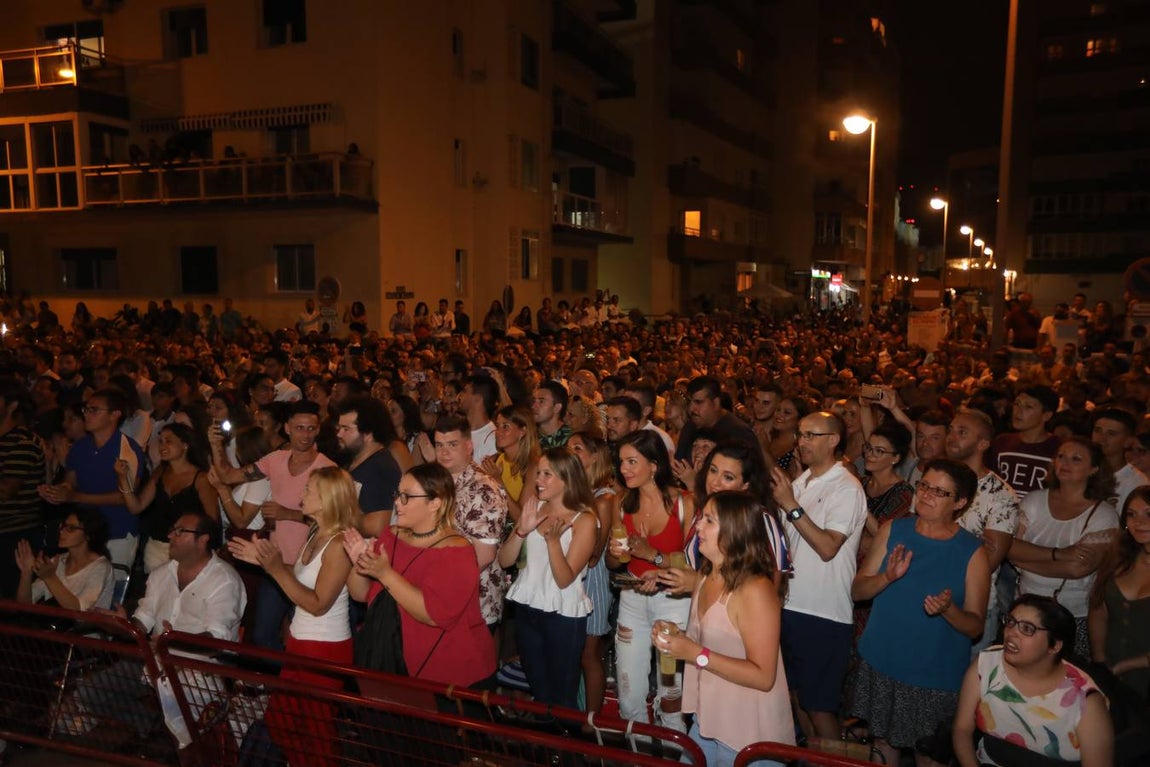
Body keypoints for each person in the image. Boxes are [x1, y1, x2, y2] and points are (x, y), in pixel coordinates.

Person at [850, 459, 990, 766]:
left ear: (961, 502)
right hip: (882, 661)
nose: (926, 495)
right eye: (924, 485)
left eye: (939, 492)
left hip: (932, 676)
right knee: (882, 747)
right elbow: (857, 592)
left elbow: (975, 626)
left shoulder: (972, 552)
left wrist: (947, 610)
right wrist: (886, 577)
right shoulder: (893, 529)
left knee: (928, 757)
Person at [653, 491, 795, 766]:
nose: (697, 527)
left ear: (734, 532)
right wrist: (676, 638)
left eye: (709, 520)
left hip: (749, 736)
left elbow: (764, 676)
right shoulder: (707, 575)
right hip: (707, 722)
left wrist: (696, 654)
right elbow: (703, 642)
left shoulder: (756, 590)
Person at [229, 466, 357, 767]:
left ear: (327, 500)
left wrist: (274, 568)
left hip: (324, 650)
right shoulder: (316, 532)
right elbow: (299, 579)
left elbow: (317, 603)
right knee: (283, 724)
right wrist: (264, 562)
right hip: (303, 645)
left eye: (310, 490)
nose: (302, 495)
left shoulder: (338, 544)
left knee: (315, 736)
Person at [74, 511, 245, 738]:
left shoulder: (224, 580)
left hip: (200, 671)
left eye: (180, 531)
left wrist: (174, 641)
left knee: (180, 708)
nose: (170, 535)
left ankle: (170, 737)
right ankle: (152, 727)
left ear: (203, 539)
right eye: (172, 530)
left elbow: (217, 641)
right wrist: (117, 625)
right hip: (155, 663)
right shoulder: (161, 574)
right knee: (89, 692)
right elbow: (140, 625)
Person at [345, 463, 496, 684]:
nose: (397, 503)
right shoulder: (391, 535)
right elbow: (360, 595)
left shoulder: (456, 552)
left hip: (451, 675)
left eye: (407, 497)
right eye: (398, 494)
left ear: (435, 502)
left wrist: (385, 574)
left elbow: (435, 615)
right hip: (391, 662)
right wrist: (359, 563)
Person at [769, 410, 867, 740]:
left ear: (834, 440)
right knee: (797, 698)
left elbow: (827, 546)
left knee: (820, 706)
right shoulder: (801, 481)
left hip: (824, 612)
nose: (802, 441)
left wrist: (791, 506)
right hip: (790, 605)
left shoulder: (846, 487)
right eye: (800, 433)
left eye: (812, 435)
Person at [953, 595, 1113, 767]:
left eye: (1027, 629)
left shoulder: (1086, 702)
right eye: (1011, 622)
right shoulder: (987, 664)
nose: (1012, 632)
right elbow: (962, 730)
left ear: (1054, 646)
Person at [606, 430, 693, 731]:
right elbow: (612, 563)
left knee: (671, 693)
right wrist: (618, 554)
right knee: (628, 693)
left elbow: (695, 562)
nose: (624, 469)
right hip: (631, 600)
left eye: (632, 461)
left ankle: (678, 755)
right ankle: (639, 755)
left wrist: (654, 556)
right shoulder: (620, 503)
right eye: (621, 462)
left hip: (673, 602)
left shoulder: (684, 504)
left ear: (654, 465)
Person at [498, 448, 596, 709]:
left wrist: (553, 542)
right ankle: (545, 745)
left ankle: (567, 747)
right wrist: (521, 530)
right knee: (539, 690)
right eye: (538, 473)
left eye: (547, 474)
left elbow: (564, 579)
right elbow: (505, 561)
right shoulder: (535, 509)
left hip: (562, 615)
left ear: (567, 479)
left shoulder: (583, 520)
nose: (538, 479)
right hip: (528, 608)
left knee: (562, 695)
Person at [1009, 437, 1119, 658]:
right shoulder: (1034, 500)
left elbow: (1077, 569)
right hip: (1024, 607)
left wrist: (1025, 558)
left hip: (1071, 614)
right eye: (1060, 456)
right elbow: (1009, 549)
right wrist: (1059, 554)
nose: (1064, 463)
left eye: (1076, 459)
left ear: (1094, 469)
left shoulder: (1103, 514)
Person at [39, 388, 147, 569]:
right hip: (85, 531)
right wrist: (58, 492)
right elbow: (71, 481)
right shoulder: (80, 446)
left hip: (117, 531)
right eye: (86, 410)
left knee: (109, 587)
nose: (87, 415)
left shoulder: (128, 449)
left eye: (94, 410)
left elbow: (125, 497)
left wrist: (74, 497)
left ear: (115, 415)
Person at [116, 423, 216, 573]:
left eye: (168, 441)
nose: (162, 446)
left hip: (187, 550)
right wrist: (123, 479)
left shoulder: (201, 479)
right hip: (157, 548)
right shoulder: (160, 472)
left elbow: (212, 521)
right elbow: (136, 506)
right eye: (161, 441)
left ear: (185, 445)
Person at [566, 429, 615, 712]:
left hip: (592, 581)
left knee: (588, 654)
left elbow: (595, 555)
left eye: (578, 448)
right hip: (571, 577)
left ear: (595, 457)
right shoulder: (575, 494)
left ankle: (592, 721)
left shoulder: (603, 498)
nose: (571, 453)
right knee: (572, 652)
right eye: (568, 448)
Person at [1088, 485, 1150, 701]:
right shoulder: (1119, 557)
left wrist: (1126, 666)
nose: (1139, 522)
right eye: (1131, 514)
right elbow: (1098, 608)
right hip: (1110, 677)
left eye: (1149, 514)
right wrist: (1100, 659)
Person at [15, 508, 113, 610]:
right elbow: (24, 606)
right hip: (53, 623)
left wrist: (50, 577)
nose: (61, 532)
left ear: (88, 535)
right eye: (62, 526)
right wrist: (26, 573)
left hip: (87, 625)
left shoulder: (100, 567)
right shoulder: (57, 562)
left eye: (70, 528)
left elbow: (80, 613)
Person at [479, 404, 539, 524]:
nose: (498, 432)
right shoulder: (494, 460)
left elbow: (521, 519)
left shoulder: (533, 467)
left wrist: (499, 482)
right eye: (498, 426)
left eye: (505, 426)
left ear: (523, 431)